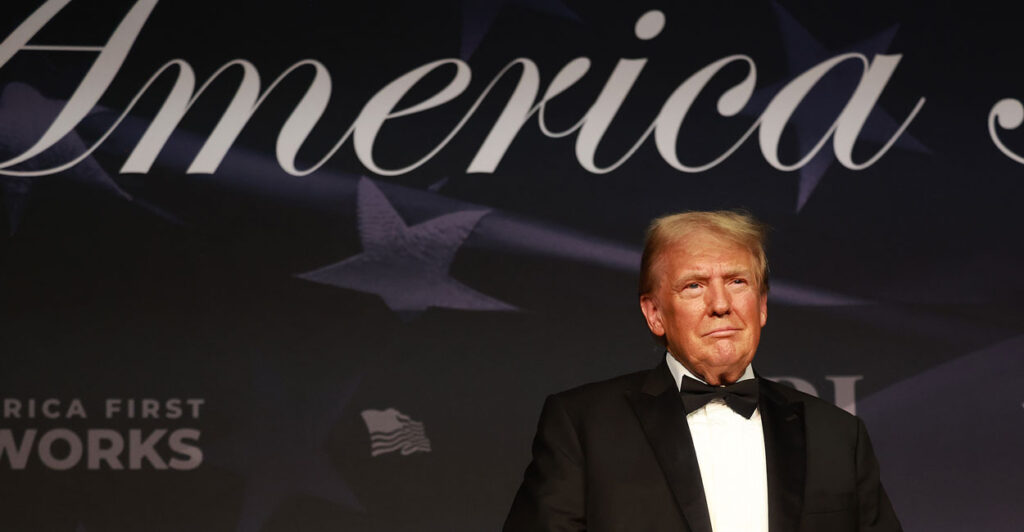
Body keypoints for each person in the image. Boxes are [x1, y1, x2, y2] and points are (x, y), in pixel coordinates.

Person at [503, 210, 901, 532]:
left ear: (761, 305)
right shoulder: (583, 426)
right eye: (694, 286)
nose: (721, 304)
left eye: (738, 281)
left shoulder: (837, 436)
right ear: (655, 313)